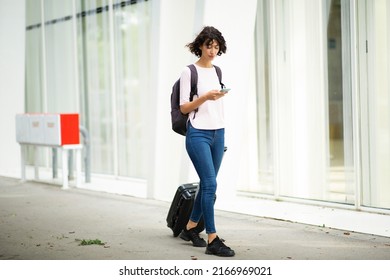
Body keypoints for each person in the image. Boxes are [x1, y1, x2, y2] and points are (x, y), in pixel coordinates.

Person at [178, 26, 235, 257]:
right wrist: (205, 97)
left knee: (206, 184)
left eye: (216, 46)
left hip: (217, 132)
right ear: (200, 46)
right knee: (211, 185)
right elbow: (183, 108)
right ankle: (212, 238)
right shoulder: (188, 71)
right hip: (198, 133)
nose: (212, 50)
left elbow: (215, 105)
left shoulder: (218, 71)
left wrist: (218, 96)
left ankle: (190, 227)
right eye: (208, 45)